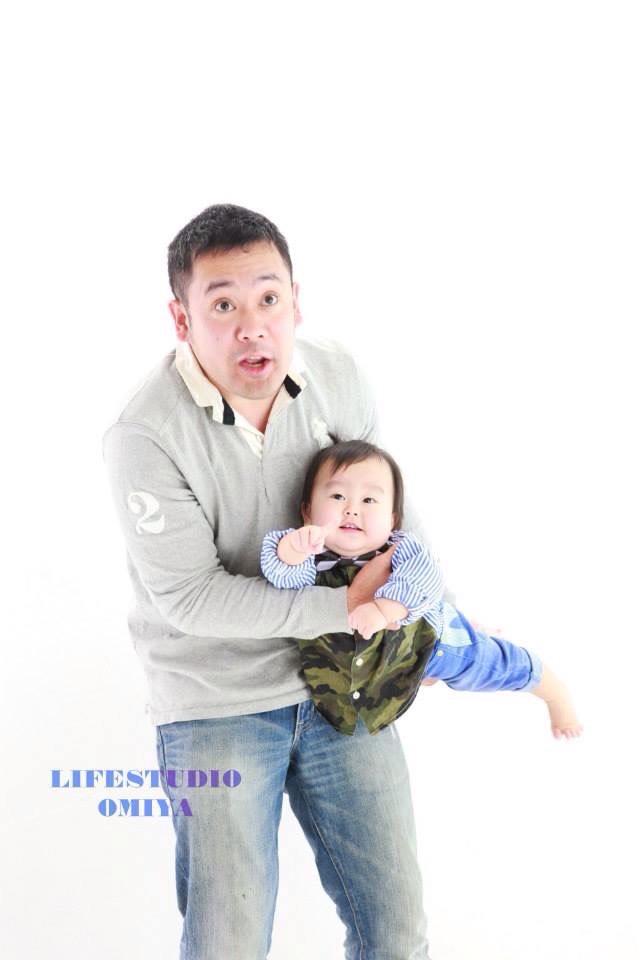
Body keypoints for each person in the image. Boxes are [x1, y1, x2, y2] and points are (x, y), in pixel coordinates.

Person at [103, 204, 431, 959]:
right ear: (181, 318)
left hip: (347, 680)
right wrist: (349, 606)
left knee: (396, 929)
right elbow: (189, 597)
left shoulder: (337, 374)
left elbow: (392, 512)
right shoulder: (143, 434)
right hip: (215, 702)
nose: (253, 327)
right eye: (223, 305)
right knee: (229, 941)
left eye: (269, 298)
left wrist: (428, 616)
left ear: (295, 300)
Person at [261, 440, 583, 740]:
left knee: (491, 665)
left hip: (431, 643)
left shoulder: (400, 548)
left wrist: (383, 609)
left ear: (392, 519)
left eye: (369, 500)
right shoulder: (312, 556)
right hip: (373, 670)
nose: (352, 509)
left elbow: (423, 579)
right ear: (307, 511)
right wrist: (292, 549)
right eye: (337, 497)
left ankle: (552, 691)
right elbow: (284, 578)